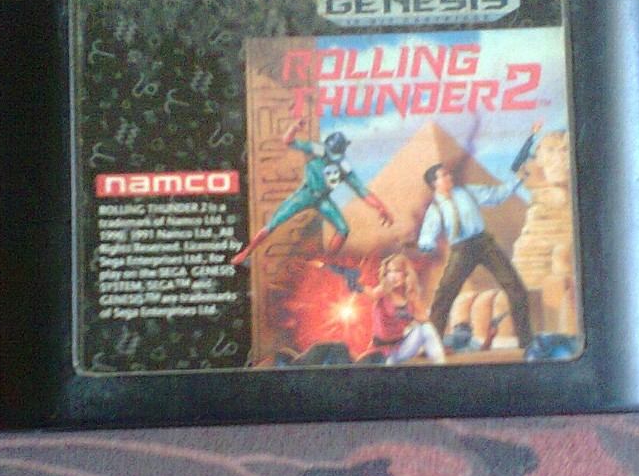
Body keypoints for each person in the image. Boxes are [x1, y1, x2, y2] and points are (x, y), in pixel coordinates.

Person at [417, 124, 540, 349]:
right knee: (444, 295)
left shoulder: (468, 191)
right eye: (443, 175)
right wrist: (426, 245)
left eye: (447, 173)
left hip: (484, 243)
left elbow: (496, 195)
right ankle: (433, 345)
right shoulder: (435, 208)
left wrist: (518, 179)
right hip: (461, 249)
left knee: (515, 287)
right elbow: (428, 232)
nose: (449, 176)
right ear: (434, 183)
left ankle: (526, 341)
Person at [231, 116, 392, 265]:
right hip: (305, 195)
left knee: (343, 229)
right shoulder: (318, 150)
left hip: (322, 199)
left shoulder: (342, 166)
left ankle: (327, 263)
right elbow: (288, 141)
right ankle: (247, 252)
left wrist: (380, 207)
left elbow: (362, 191)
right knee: (273, 223)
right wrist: (294, 128)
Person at [364, 253, 445, 364]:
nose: (393, 276)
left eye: (397, 271)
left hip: (399, 349)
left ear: (406, 273)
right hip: (382, 353)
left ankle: (441, 365)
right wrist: (356, 284)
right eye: (389, 272)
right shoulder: (384, 291)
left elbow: (424, 320)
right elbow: (371, 294)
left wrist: (415, 318)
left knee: (426, 328)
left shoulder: (411, 296)